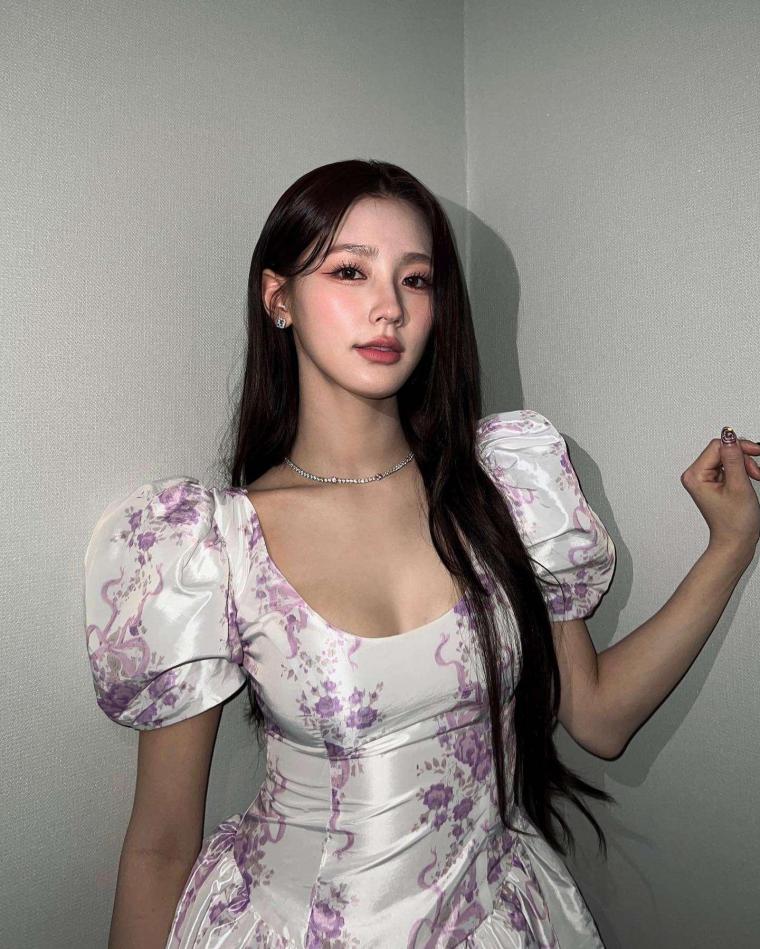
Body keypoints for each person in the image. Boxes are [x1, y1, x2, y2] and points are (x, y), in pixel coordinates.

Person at [84, 159, 760, 948]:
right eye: (350, 271)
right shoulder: (209, 547)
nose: (390, 308)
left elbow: (600, 717)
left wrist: (730, 544)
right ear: (278, 298)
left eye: (416, 280)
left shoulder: (504, 487)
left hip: (500, 917)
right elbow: (160, 847)